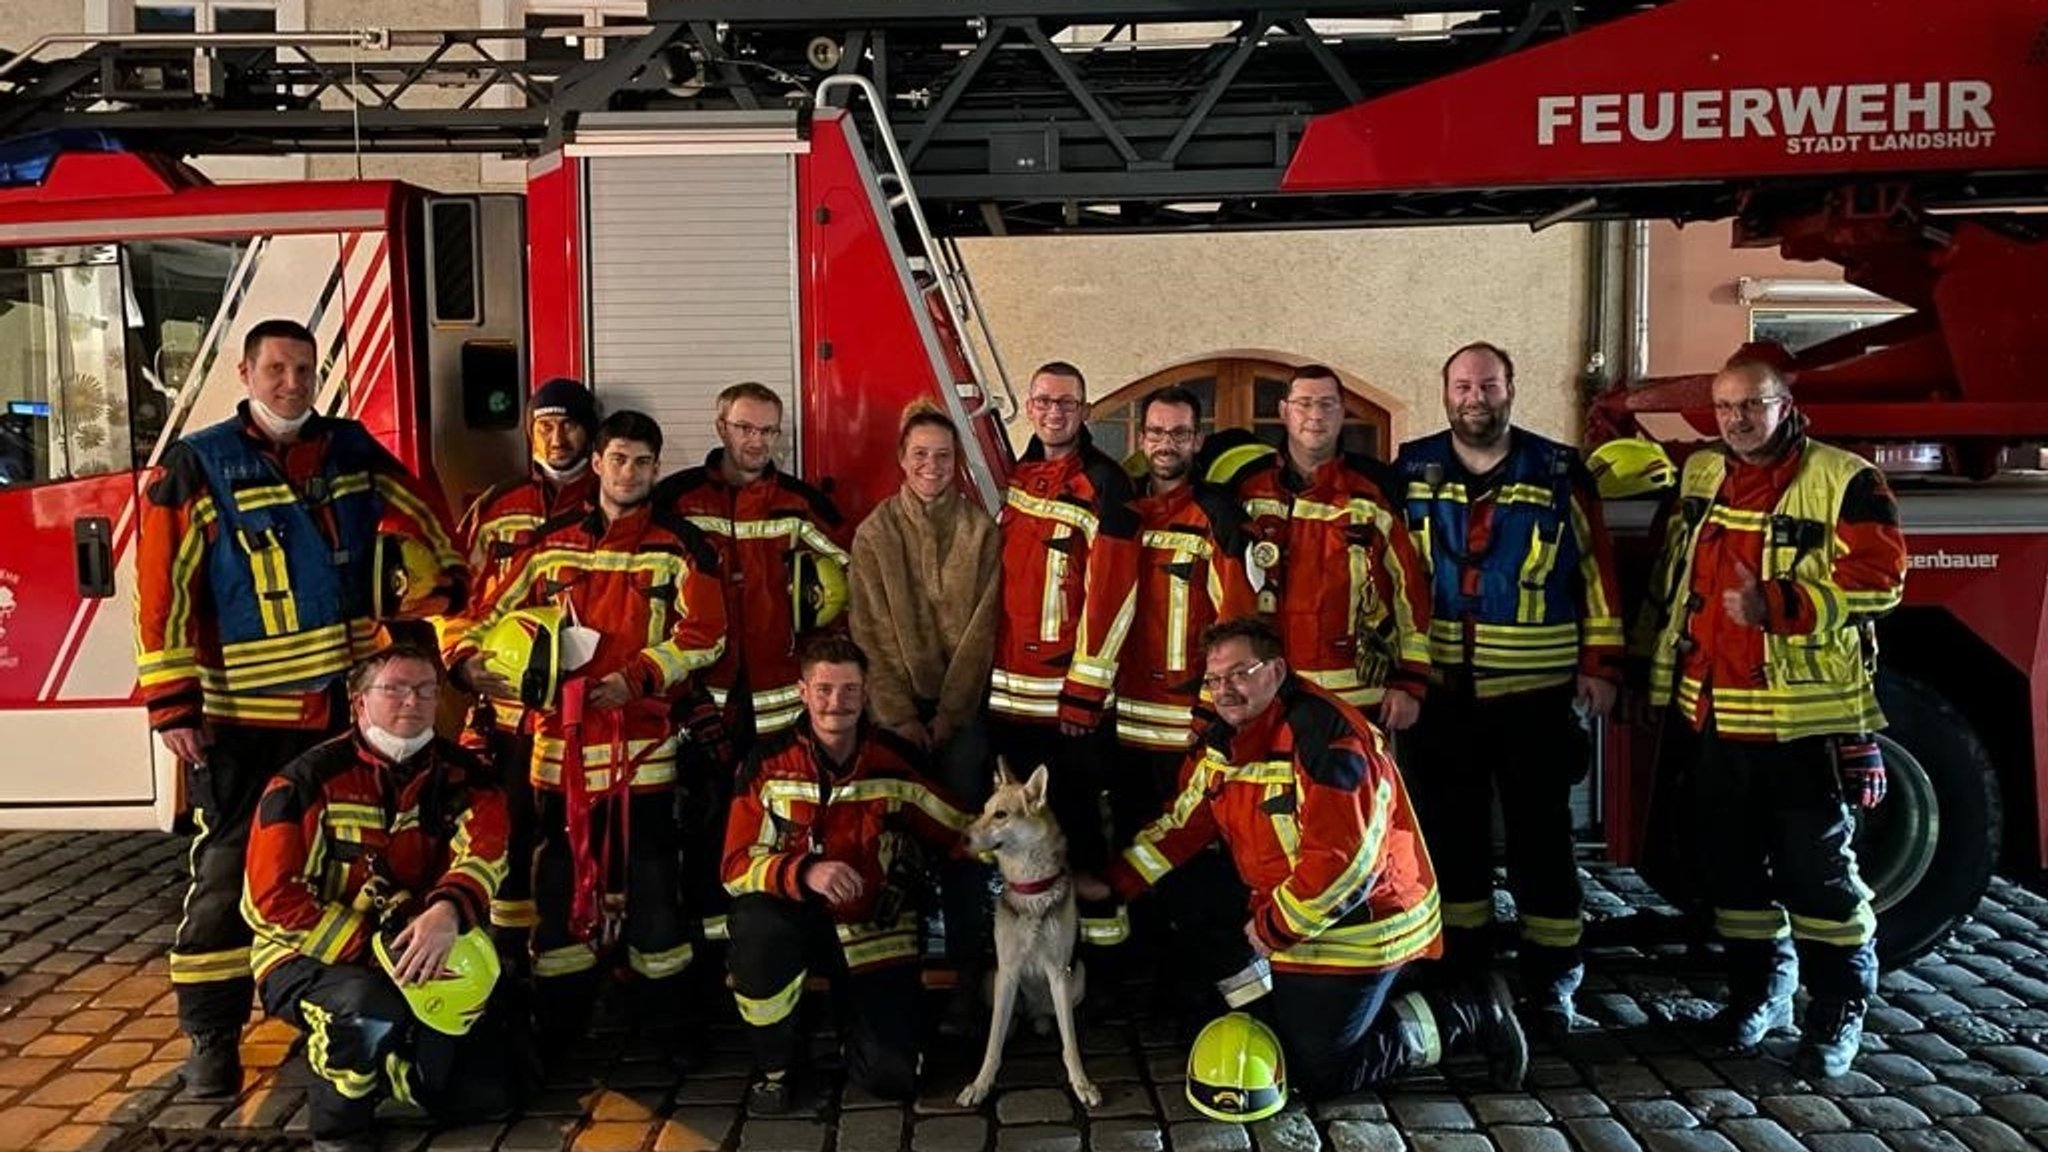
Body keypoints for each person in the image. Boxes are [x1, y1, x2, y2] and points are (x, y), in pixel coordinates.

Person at [133, 317, 466, 1099]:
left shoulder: (348, 448)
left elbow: (422, 514)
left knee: (354, 869)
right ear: (244, 373)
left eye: (305, 369)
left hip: (344, 718)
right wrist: (174, 704)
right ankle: (212, 1038)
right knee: (226, 878)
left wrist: (443, 582)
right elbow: (162, 594)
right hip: (245, 720)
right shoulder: (198, 465)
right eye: (276, 369)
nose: (292, 383)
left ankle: (340, 1009)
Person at [1078, 616, 1528, 1100]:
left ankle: (1471, 1009)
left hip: (1362, 922)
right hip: (1292, 911)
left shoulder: (1325, 740)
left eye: (1239, 674)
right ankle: (1278, 1009)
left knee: (1316, 1073)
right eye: (1214, 679)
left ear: (1276, 670)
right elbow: (1183, 822)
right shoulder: (1227, 737)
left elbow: (1345, 864)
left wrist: (1274, 928)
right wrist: (1117, 883)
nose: (1224, 690)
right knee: (1191, 896)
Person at [1636, 356, 1906, 1078]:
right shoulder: (1700, 473)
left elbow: (1882, 581)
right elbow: (1670, 574)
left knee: (1817, 877)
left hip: (1802, 722)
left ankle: (1837, 1011)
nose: (1736, 420)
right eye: (1724, 407)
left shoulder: (1845, 479)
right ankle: (1761, 994)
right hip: (1713, 713)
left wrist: (1779, 605)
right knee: (1729, 873)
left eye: (1751, 405)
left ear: (1786, 405)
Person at [447, 409, 727, 1054]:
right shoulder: (549, 542)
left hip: (643, 750)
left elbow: (705, 634)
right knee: (556, 886)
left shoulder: (683, 546)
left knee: (656, 891)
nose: (629, 472)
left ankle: (666, 1029)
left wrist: (640, 677)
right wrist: (465, 662)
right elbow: (482, 610)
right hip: (559, 749)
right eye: (619, 459)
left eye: (643, 462)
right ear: (597, 464)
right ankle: (565, 1026)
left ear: (657, 470)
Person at [1395, 342, 1624, 1037]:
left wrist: (1602, 663)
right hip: (1442, 694)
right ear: (1445, 394)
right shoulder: (1411, 468)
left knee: (1541, 839)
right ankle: (1461, 970)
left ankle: (1553, 980)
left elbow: (1595, 571)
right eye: (1462, 385)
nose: (1476, 398)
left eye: (1488, 385)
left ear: (1511, 390)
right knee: (1449, 837)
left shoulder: (1557, 470)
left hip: (1536, 694)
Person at [242, 644, 516, 1152]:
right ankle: (340, 1124)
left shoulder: (466, 777)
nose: (412, 701)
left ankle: (400, 1071)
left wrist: (448, 909)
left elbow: (487, 851)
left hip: (425, 943)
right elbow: (271, 900)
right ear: (359, 701)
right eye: (395, 689)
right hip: (310, 956)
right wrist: (374, 950)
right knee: (364, 1012)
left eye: (426, 691)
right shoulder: (303, 783)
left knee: (484, 1096)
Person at [721, 635, 971, 1113]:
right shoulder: (767, 764)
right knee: (757, 927)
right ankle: (778, 1066)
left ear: (866, 692)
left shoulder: (893, 760)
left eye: (850, 690)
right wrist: (805, 872)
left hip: (874, 930)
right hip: (796, 924)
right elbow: (734, 867)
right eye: (825, 690)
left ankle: (853, 1031)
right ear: (803, 692)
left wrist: (1031, 854)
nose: (837, 703)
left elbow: (960, 829)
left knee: (892, 1078)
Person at [653, 381, 849, 951]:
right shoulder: (680, 501)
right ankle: (712, 953)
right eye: (745, 428)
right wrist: (684, 698)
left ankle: (773, 944)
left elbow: (848, 589)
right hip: (701, 705)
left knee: (785, 826)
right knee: (703, 825)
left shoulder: (801, 505)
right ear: (721, 428)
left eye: (768, 430)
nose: (756, 440)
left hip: (780, 703)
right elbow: (658, 606)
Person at [847, 401, 1003, 1025]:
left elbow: (983, 630)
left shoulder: (980, 531)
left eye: (943, 455)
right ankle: (899, 992)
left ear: (957, 462)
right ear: (901, 460)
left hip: (961, 721)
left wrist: (952, 714)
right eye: (920, 455)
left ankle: (968, 985)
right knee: (900, 852)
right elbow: (868, 633)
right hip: (897, 721)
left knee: (966, 849)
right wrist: (899, 716)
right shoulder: (874, 535)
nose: (932, 466)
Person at [987, 360, 1139, 946]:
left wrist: (1086, 690)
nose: (1055, 412)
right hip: (1006, 699)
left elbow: (1113, 592)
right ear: (1030, 407)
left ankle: (1097, 962)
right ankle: (1030, 954)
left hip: (1066, 707)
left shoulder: (1105, 484)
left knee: (1074, 830)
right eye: (1045, 401)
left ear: (1085, 410)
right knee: (1021, 843)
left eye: (1067, 403)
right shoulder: (1013, 477)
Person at [449, 376, 601, 959]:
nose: (556, 437)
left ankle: (570, 952)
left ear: (589, 429)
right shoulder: (496, 507)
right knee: (508, 833)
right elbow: (459, 598)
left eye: (568, 424)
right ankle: (508, 956)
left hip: (582, 712)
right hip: (508, 711)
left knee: (571, 838)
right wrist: (462, 663)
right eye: (544, 425)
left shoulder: (609, 501)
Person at [1221, 365, 1432, 733]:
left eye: (1327, 404)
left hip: (1358, 697)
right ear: (1284, 411)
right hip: (1268, 692)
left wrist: (1409, 682)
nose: (1315, 415)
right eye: (1304, 404)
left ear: (1342, 411)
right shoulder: (1248, 488)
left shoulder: (1373, 490)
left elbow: (1410, 591)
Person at [1111, 385, 1255, 834]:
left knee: (1190, 846)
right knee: (1130, 842)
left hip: (1187, 724)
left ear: (1196, 440)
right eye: (1155, 432)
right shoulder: (1121, 511)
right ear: (1141, 439)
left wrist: (1211, 709)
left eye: (1178, 433)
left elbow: (1235, 623)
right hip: (1121, 720)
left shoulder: (1218, 516)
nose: (1165, 443)